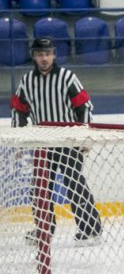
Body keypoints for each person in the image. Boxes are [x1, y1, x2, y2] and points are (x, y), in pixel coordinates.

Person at [10, 37, 102, 243]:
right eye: (40, 54)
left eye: (48, 54)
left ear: (54, 55)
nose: (44, 58)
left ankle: (91, 229)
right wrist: (19, 141)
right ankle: (44, 229)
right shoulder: (27, 81)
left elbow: (85, 106)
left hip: (68, 142)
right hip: (42, 144)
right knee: (40, 188)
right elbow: (18, 109)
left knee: (75, 184)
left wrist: (84, 137)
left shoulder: (67, 77)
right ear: (34, 56)